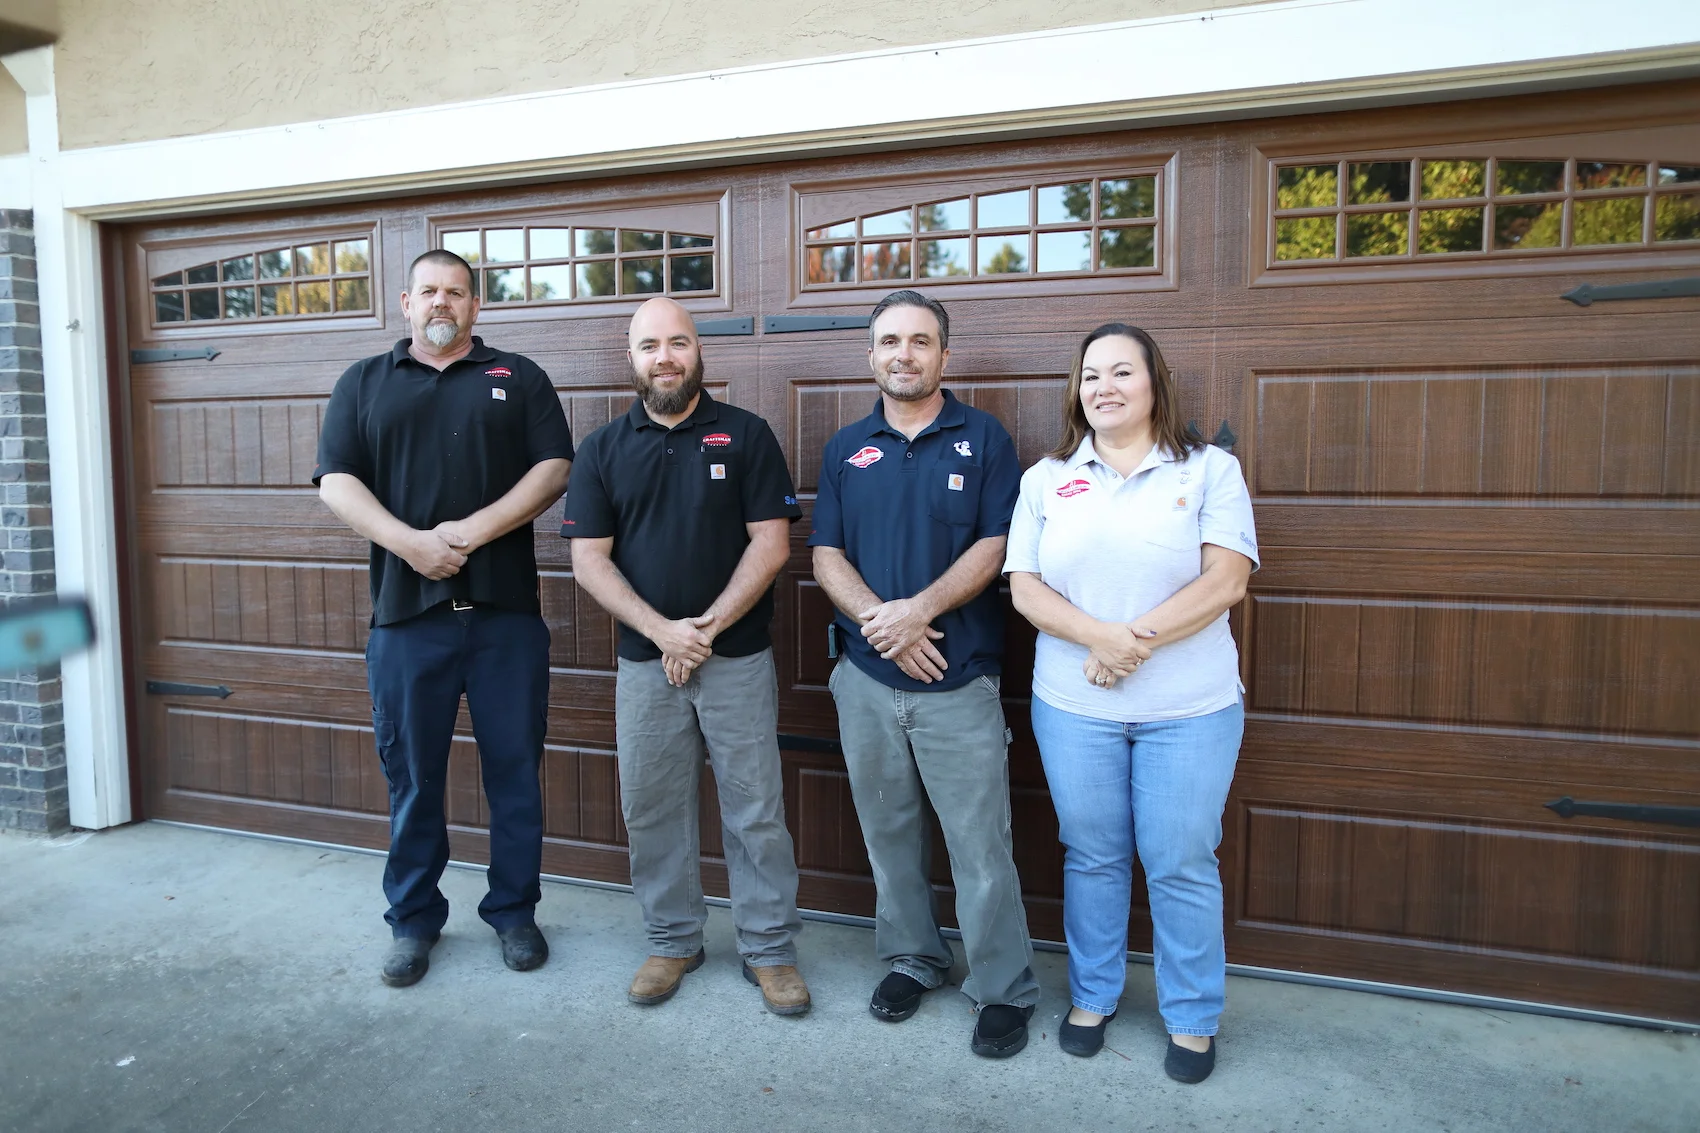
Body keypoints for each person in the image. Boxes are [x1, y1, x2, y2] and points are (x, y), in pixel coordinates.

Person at [1003, 322, 1257, 1083]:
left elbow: (1226, 581)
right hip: (1074, 708)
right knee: (1093, 856)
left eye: (1121, 371)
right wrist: (1099, 639)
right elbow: (1025, 587)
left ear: (1155, 383)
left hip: (1191, 709)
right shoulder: (1047, 478)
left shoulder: (1208, 470)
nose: (1104, 386)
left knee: (1181, 860)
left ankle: (1192, 1015)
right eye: (1091, 374)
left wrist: (1128, 644)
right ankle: (1093, 996)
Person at [314, 249, 574, 987]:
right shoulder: (364, 382)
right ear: (405, 302)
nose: (441, 302)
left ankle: (514, 912)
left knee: (515, 773)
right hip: (406, 619)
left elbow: (554, 467)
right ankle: (413, 920)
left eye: (455, 292)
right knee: (413, 779)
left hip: (504, 619)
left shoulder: (517, 377)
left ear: (474, 305)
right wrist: (411, 545)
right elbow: (336, 481)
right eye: (428, 290)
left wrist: (470, 534)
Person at [563, 297, 810, 1016]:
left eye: (678, 342)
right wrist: (663, 633)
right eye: (650, 346)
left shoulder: (746, 434)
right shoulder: (602, 449)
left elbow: (772, 543)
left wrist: (702, 629)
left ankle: (769, 948)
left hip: (737, 659)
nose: (664, 357)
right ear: (632, 358)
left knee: (755, 809)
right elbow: (589, 559)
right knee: (651, 806)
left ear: (699, 351)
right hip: (646, 665)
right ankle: (673, 940)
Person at [809, 289, 1039, 1057]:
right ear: (870, 355)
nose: (903, 353)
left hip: (959, 680)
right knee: (889, 835)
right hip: (867, 680)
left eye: (919, 340)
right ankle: (914, 956)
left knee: (981, 846)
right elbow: (826, 553)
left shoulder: (984, 438)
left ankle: (1002, 987)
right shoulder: (846, 447)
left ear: (944, 353)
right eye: (889, 341)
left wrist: (920, 611)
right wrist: (885, 622)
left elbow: (995, 544)